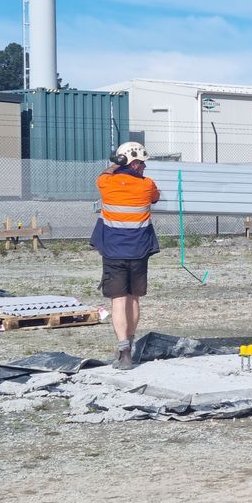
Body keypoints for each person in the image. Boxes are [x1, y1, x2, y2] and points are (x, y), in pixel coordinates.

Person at [91, 141, 160, 369]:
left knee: (119, 300)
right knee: (133, 298)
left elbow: (104, 173)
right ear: (133, 163)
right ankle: (128, 344)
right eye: (141, 163)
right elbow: (155, 197)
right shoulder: (147, 185)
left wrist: (117, 163)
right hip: (139, 250)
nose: (144, 168)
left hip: (113, 251)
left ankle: (124, 351)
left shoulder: (105, 182)